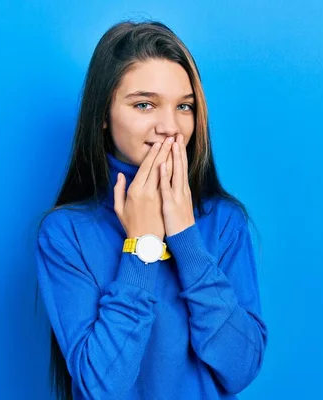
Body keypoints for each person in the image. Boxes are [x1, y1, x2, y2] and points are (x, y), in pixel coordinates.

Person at [35, 20, 268, 400]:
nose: (170, 126)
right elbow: (101, 388)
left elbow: (240, 368)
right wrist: (142, 245)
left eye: (184, 107)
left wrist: (186, 239)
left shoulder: (225, 222)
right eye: (144, 104)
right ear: (103, 117)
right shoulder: (65, 233)